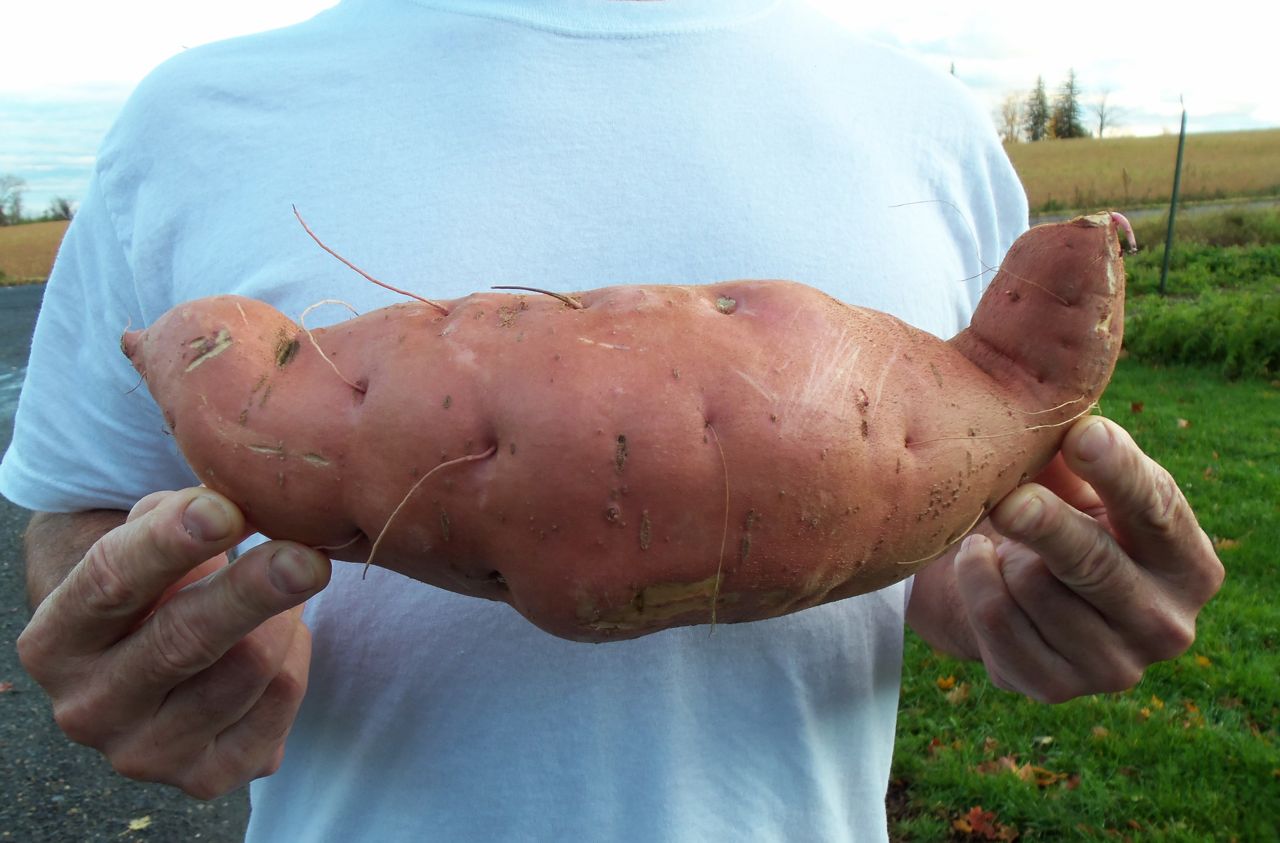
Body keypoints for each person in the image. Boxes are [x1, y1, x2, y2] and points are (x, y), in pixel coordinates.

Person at [3, 1, 1222, 840]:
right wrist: (142, 625)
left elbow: (930, 537)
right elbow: (82, 499)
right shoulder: (192, 119)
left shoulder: (928, 124)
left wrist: (1013, 585)